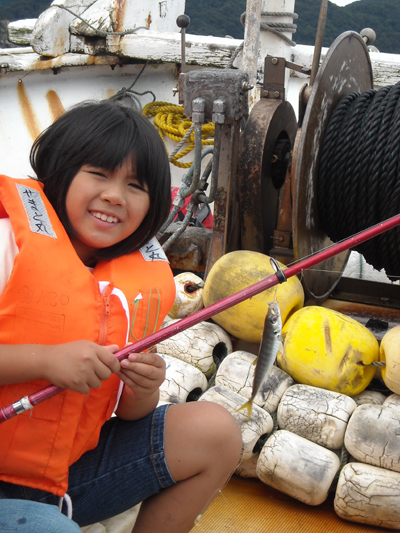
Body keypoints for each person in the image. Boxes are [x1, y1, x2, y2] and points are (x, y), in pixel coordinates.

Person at [0, 101, 242, 533]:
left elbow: (127, 415)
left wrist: (143, 391)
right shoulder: (8, 245)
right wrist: (45, 361)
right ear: (58, 170)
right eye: (98, 174)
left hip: (70, 475)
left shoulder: (137, 281)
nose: (115, 195)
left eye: (136, 185)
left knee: (217, 433)